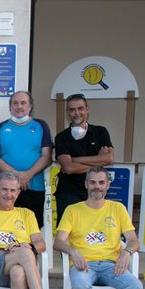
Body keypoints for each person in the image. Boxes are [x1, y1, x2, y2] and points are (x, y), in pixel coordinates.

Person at [53, 167, 142, 289]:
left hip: (111, 265)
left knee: (135, 287)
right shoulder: (73, 210)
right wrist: (73, 251)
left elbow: (133, 241)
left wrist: (126, 252)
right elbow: (58, 242)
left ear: (108, 185)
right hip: (84, 265)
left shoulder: (118, 208)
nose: (97, 187)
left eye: (101, 182)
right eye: (92, 182)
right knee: (79, 286)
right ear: (86, 184)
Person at [0, 90, 53, 228]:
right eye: (15, 103)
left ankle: (30, 251)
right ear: (10, 107)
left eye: (23, 103)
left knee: (33, 228)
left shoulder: (42, 126)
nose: (19, 106)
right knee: (4, 227)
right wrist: (18, 177)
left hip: (35, 187)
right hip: (6, 189)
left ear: (30, 106)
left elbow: (47, 157)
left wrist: (28, 175)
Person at [54, 93, 115, 222]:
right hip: (68, 192)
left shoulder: (100, 132)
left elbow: (109, 159)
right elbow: (69, 168)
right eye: (72, 109)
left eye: (80, 108)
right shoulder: (61, 137)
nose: (76, 113)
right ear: (67, 113)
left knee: (93, 231)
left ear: (87, 109)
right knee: (66, 234)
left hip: (95, 191)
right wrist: (98, 160)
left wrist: (76, 159)